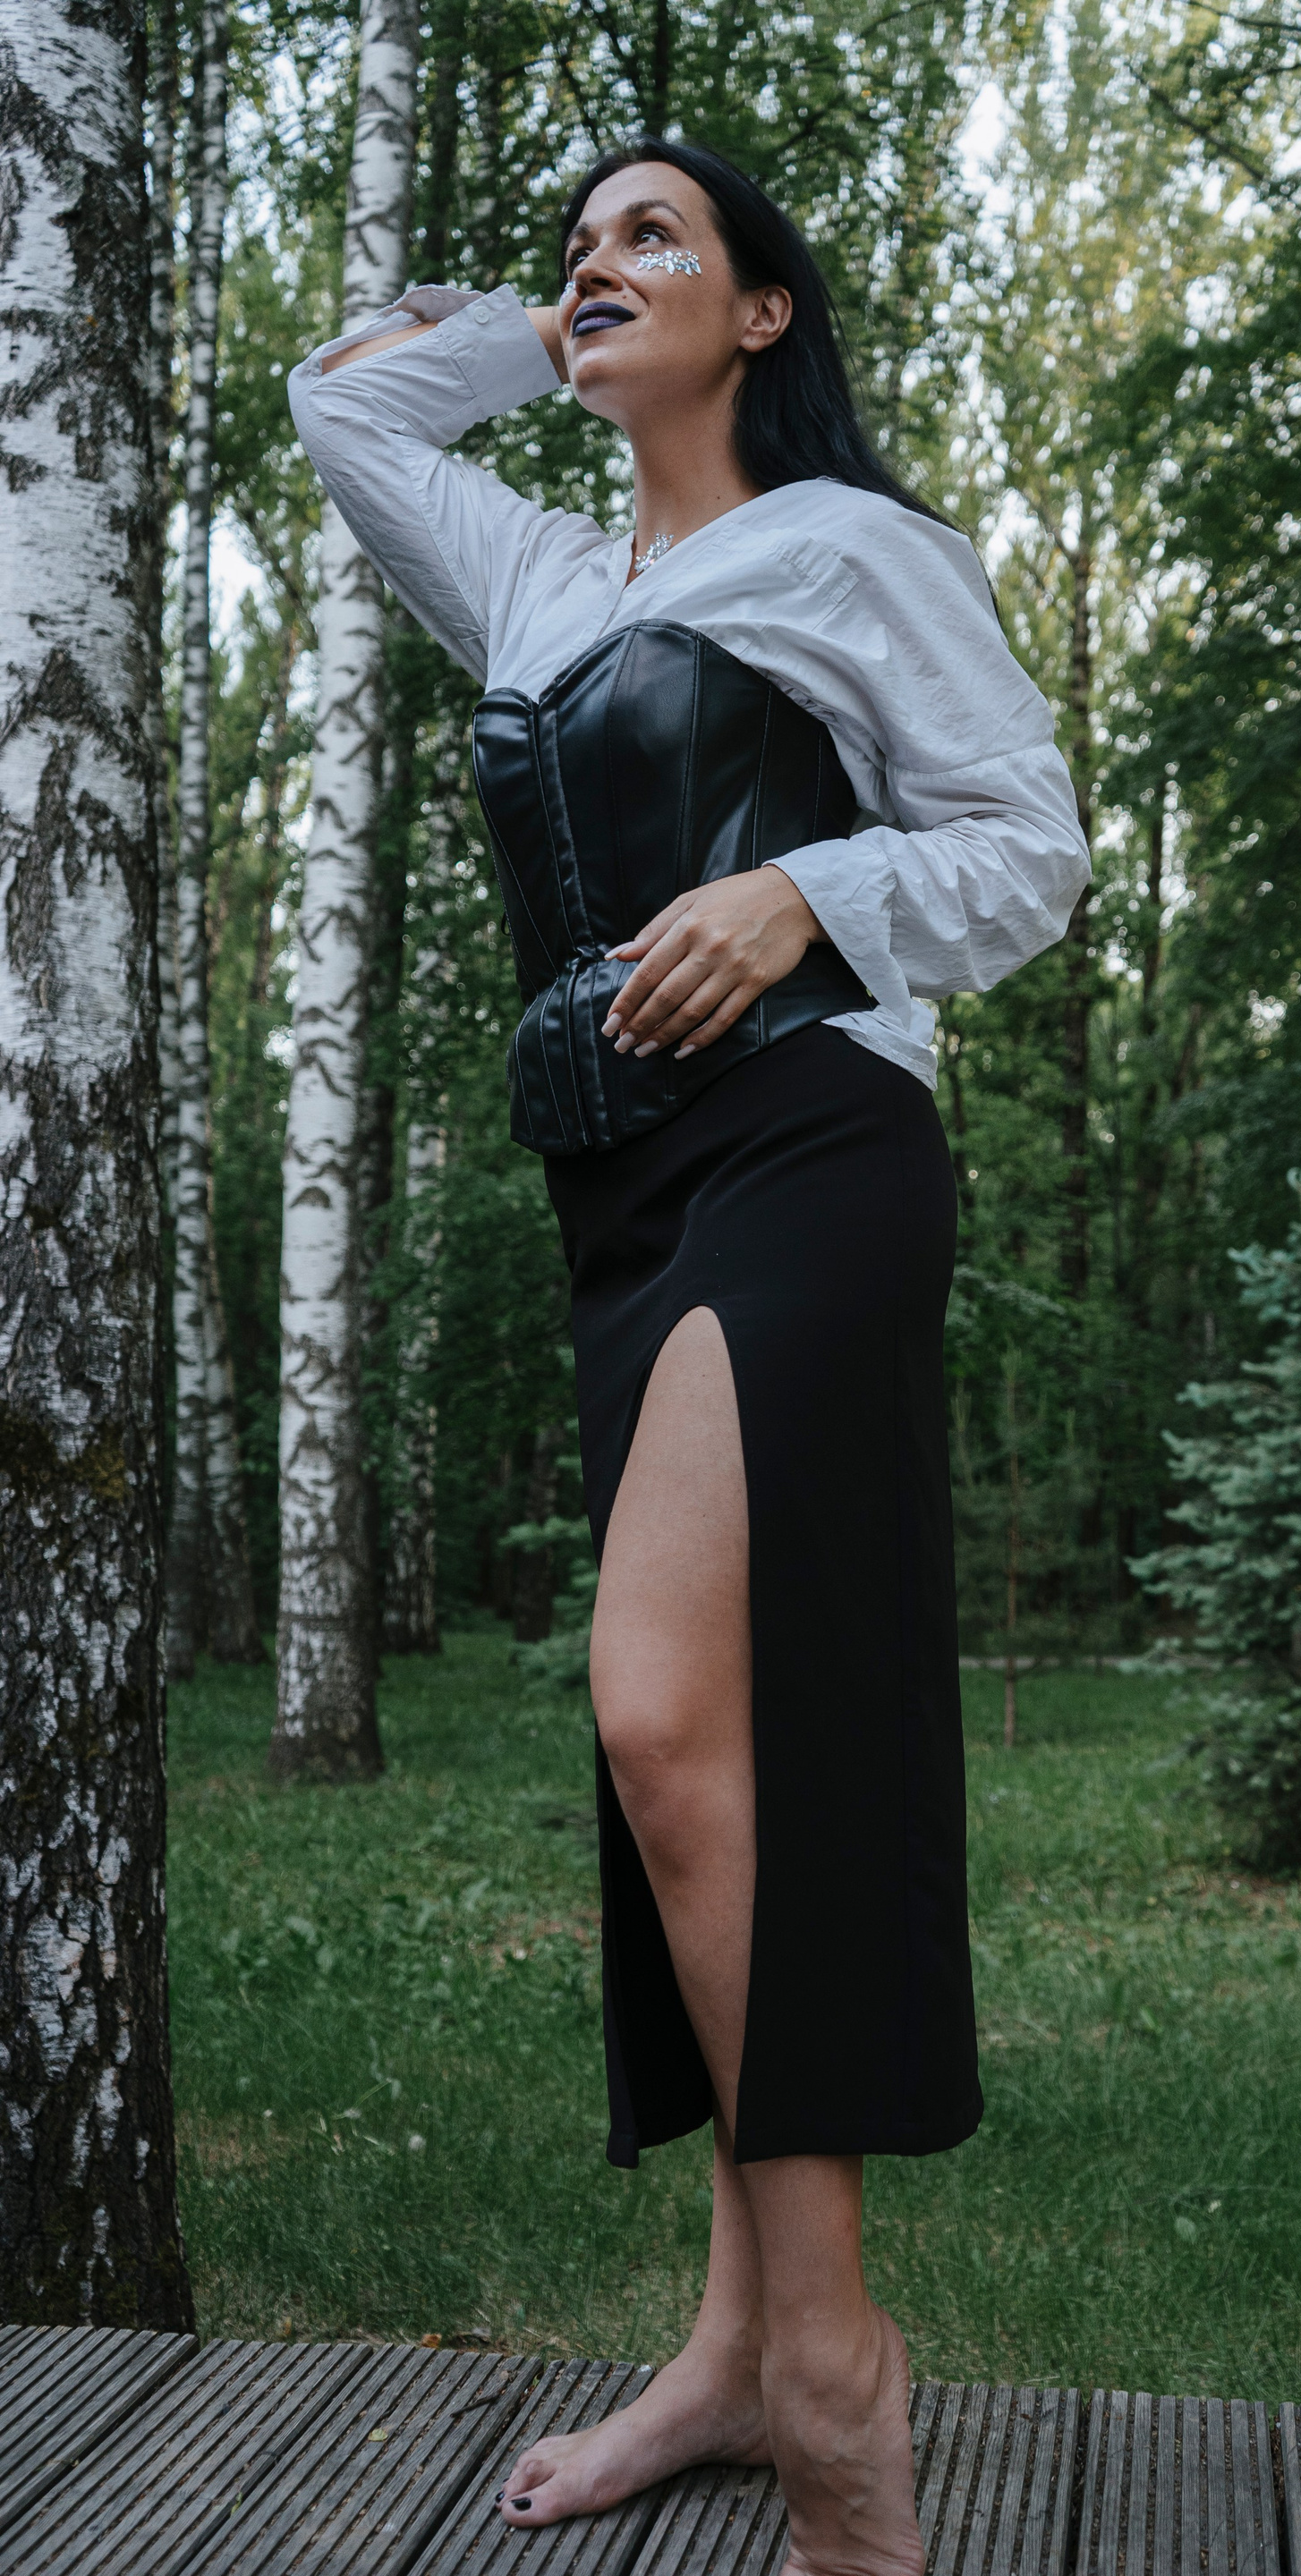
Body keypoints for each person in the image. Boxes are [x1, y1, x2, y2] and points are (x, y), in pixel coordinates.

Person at [289, 135, 1086, 2576]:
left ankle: (835, 2377)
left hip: (813, 1145)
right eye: (581, 246)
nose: (604, 265)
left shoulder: (852, 550)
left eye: (662, 238)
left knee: (664, 1714)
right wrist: (534, 329)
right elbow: (343, 413)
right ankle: (737, 2345)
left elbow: (1030, 846)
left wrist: (799, 892)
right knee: (695, 1767)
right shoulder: (534, 575)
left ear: (766, 312)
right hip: (619, 1201)